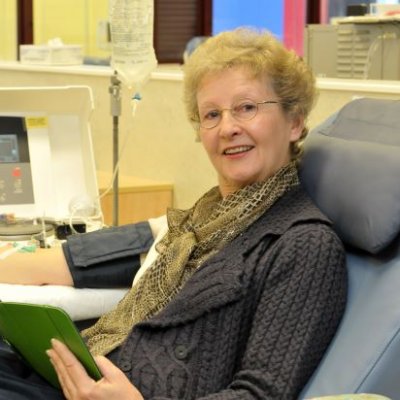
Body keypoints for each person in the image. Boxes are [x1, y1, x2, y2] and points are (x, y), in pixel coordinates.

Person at [0, 27, 347, 400]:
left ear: (295, 121)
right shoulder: (201, 221)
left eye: (247, 107)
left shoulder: (304, 244)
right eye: (211, 114)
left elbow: (261, 394)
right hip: (79, 377)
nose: (228, 128)